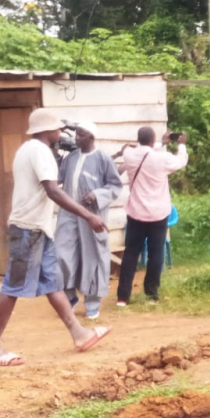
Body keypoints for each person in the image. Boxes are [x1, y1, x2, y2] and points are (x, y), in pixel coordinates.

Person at [0, 108, 111, 367]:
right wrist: (89, 216)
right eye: (57, 129)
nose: (60, 133)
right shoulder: (40, 152)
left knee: (51, 284)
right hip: (29, 229)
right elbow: (53, 191)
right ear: (47, 131)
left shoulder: (28, 150)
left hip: (39, 230)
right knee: (13, 286)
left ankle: (79, 334)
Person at [55, 121, 123, 320]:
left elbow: (114, 186)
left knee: (92, 258)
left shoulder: (102, 158)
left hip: (92, 216)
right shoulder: (71, 158)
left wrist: (97, 194)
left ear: (92, 137)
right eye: (76, 134)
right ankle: (69, 296)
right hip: (68, 215)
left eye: (81, 135)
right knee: (61, 255)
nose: (77, 138)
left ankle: (92, 303)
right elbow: (58, 180)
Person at [116, 127, 188, 305]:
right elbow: (180, 161)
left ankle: (123, 297)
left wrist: (161, 143)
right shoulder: (162, 159)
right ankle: (151, 294)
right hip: (158, 213)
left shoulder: (129, 155)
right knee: (156, 253)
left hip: (136, 212)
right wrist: (182, 146)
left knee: (131, 253)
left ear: (138, 139)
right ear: (153, 138)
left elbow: (142, 152)